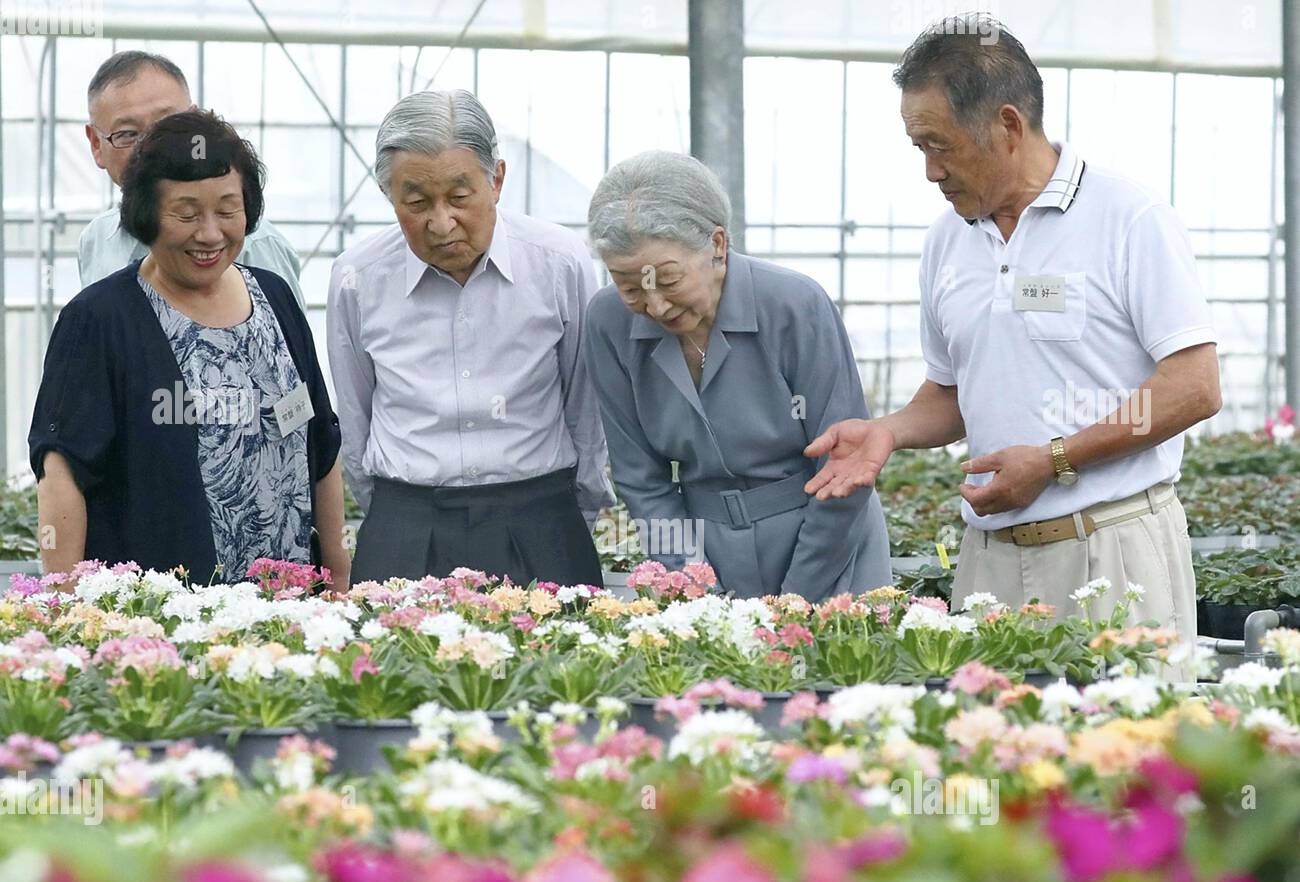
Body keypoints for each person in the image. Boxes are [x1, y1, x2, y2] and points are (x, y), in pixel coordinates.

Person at [804, 16, 1219, 648]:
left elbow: (1193, 385)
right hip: (988, 559)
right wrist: (887, 431)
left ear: (1007, 126)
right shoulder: (947, 241)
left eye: (938, 145)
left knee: (1122, 740)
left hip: (1110, 550)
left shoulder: (1128, 219)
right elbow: (948, 395)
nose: (930, 172)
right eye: (919, 148)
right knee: (987, 744)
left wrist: (1056, 459)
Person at [30, 109, 349, 589]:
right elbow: (63, 474)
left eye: (227, 210)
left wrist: (338, 579)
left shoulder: (275, 298)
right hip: (163, 623)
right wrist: (66, 603)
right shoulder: (100, 319)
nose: (210, 234)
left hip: (289, 615)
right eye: (185, 213)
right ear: (145, 214)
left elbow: (321, 449)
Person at [327, 90, 613, 586]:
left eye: (460, 197)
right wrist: (395, 517)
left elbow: (586, 407)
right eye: (415, 202)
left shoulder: (559, 262)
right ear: (390, 196)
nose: (441, 223)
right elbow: (355, 417)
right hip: (405, 524)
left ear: (496, 179)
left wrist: (571, 515)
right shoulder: (358, 277)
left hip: (540, 518)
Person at [582, 151, 891, 602]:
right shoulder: (607, 322)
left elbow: (843, 468)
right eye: (630, 287)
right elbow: (641, 480)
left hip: (828, 545)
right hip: (702, 553)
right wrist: (693, 584)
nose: (656, 307)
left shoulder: (794, 305)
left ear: (718, 245)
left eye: (668, 280)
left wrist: (798, 597)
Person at [80, 50, 304, 306]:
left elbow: (285, 341)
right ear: (97, 144)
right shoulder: (96, 239)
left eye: (168, 125)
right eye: (128, 134)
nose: (150, 147)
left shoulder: (253, 243)